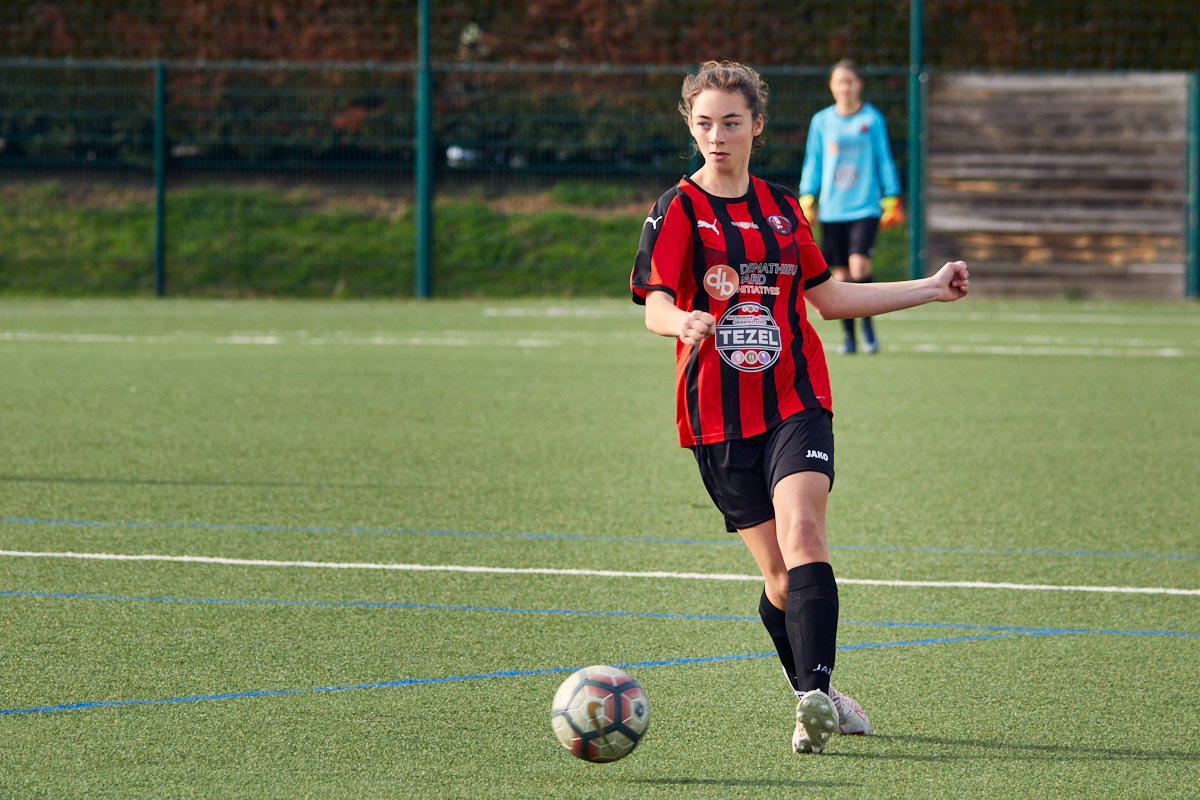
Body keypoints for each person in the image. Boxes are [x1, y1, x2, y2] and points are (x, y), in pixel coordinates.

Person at [629, 60, 968, 755]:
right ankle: (820, 695)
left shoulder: (783, 209)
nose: (717, 137)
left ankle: (813, 699)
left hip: (796, 397)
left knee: (806, 533)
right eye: (704, 124)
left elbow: (829, 297)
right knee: (780, 579)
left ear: (756, 125)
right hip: (717, 416)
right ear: (690, 127)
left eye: (731, 122)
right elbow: (654, 301)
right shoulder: (677, 209)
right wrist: (680, 321)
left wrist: (930, 288)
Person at [798, 59, 905, 355]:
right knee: (841, 276)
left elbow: (883, 158)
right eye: (839, 82)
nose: (844, 88)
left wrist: (891, 196)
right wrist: (807, 196)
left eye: (849, 82)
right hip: (832, 210)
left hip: (865, 207)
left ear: (858, 84)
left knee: (860, 266)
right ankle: (849, 337)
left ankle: (868, 329)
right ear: (831, 86)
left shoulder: (872, 119)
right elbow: (813, 161)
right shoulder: (821, 121)